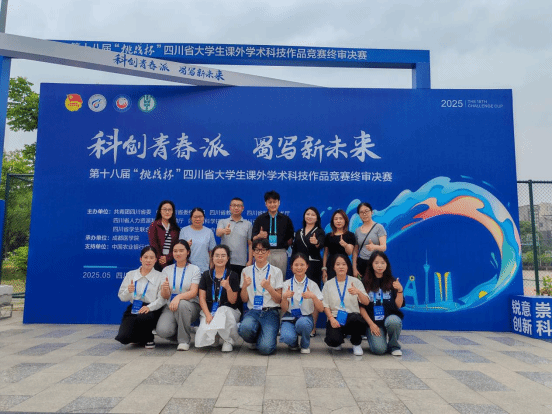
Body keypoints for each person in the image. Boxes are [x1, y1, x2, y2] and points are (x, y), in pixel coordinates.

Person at [238, 238, 283, 355]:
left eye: (263, 250)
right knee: (244, 329)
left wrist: (269, 288)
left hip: (270, 312)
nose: (260, 253)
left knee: (266, 349)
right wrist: (244, 286)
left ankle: (266, 337)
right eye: (257, 250)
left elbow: (279, 300)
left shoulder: (276, 271)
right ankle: (256, 337)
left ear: (268, 252)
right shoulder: (246, 271)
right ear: (252, 252)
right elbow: (244, 299)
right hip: (253, 311)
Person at [155, 240, 201, 351]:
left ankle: (184, 341)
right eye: (175, 251)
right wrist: (165, 289)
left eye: (181, 250)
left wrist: (178, 297)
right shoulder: (166, 270)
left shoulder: (194, 269)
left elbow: (193, 292)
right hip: (171, 306)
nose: (178, 253)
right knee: (163, 331)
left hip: (190, 305)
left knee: (182, 304)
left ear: (188, 252)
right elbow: (165, 296)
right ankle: (179, 333)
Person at [115, 246, 165, 349]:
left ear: (155, 260)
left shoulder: (160, 276)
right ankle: (139, 337)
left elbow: (162, 299)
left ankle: (149, 338)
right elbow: (122, 297)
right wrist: (128, 291)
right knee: (123, 338)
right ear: (140, 259)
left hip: (152, 308)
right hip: (135, 306)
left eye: (151, 258)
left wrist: (149, 307)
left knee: (144, 316)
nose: (148, 260)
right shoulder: (131, 275)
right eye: (145, 257)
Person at [195, 245, 241, 352]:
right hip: (209, 311)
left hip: (229, 311)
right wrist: (208, 314)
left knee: (222, 310)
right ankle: (215, 336)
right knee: (203, 337)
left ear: (228, 258)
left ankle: (228, 340)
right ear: (212, 257)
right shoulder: (206, 275)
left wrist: (228, 288)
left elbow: (233, 301)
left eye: (223, 256)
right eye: (217, 255)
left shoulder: (233, 275)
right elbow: (202, 298)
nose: (220, 258)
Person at [322, 254, 369, 356]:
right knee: (333, 342)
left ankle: (356, 343)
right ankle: (339, 338)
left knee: (356, 318)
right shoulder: (328, 284)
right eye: (338, 264)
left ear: (348, 267)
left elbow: (366, 302)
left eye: (344, 264)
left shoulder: (356, 282)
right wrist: (331, 318)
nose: (341, 267)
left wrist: (358, 292)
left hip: (352, 317)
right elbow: (325, 305)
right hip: (336, 318)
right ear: (333, 267)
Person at [360, 251, 405, 356]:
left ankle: (394, 346)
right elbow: (361, 307)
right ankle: (380, 339)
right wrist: (371, 324)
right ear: (371, 264)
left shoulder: (392, 281)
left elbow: (398, 305)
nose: (379, 266)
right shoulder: (364, 282)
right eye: (376, 263)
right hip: (373, 322)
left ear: (386, 264)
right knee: (379, 350)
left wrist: (400, 290)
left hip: (389, 319)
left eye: (382, 263)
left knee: (394, 321)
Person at [280, 253, 324, 354]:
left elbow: (321, 309)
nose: (299, 268)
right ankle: (293, 343)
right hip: (289, 317)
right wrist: (285, 297)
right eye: (296, 265)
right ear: (291, 267)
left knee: (302, 324)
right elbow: (283, 309)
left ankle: (305, 344)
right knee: (286, 337)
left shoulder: (312, 285)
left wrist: (313, 297)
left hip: (305, 317)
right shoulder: (286, 284)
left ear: (307, 266)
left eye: (302, 265)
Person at [291, 206, 325, 336]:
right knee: (298, 294)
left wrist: (316, 243)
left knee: (313, 295)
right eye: (308, 214)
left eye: (313, 215)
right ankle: (299, 325)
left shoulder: (319, 231)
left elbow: (321, 244)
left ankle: (313, 327)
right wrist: (293, 265)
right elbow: (294, 250)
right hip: (299, 267)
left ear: (317, 218)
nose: (310, 216)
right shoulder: (299, 231)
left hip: (313, 266)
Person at [252, 190, 294, 279]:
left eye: (274, 202)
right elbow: (253, 238)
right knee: (263, 278)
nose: (272, 204)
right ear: (266, 204)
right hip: (264, 252)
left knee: (280, 278)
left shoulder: (286, 219)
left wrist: (283, 244)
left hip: (280, 252)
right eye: (270, 202)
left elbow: (290, 238)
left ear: (279, 203)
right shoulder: (260, 219)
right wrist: (259, 236)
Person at [216, 197, 253, 276]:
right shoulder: (223, 222)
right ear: (230, 207)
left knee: (239, 283)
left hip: (241, 262)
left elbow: (250, 243)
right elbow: (218, 233)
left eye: (239, 206)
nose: (236, 208)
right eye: (234, 205)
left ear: (242, 208)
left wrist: (250, 261)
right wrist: (224, 231)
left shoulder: (248, 224)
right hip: (225, 261)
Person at [352, 202, 387, 278]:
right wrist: (354, 268)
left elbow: (384, 247)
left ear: (372, 212)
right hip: (362, 263)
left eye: (366, 211)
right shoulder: (357, 231)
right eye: (361, 212)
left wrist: (374, 247)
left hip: (376, 263)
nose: (364, 214)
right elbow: (355, 251)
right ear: (359, 215)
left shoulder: (379, 227)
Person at [179, 207, 216, 273]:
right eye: (195, 217)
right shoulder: (184, 231)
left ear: (204, 218)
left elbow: (211, 252)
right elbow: (179, 250)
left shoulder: (209, 232)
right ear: (191, 218)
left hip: (204, 269)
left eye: (200, 217)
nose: (198, 219)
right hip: (187, 269)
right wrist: (186, 246)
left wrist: (211, 268)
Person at [322, 209, 355, 282]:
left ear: (345, 220)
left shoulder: (350, 235)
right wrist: (324, 269)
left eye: (341, 218)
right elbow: (325, 254)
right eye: (336, 219)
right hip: (331, 265)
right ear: (333, 221)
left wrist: (345, 245)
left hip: (345, 264)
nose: (338, 221)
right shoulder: (328, 236)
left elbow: (350, 252)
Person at [148, 200, 180, 271]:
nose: (167, 212)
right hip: (156, 262)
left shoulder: (175, 228)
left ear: (172, 212)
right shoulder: (154, 225)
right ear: (160, 211)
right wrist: (161, 260)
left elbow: (176, 247)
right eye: (165, 209)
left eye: (169, 210)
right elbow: (153, 245)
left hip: (170, 262)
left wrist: (167, 258)